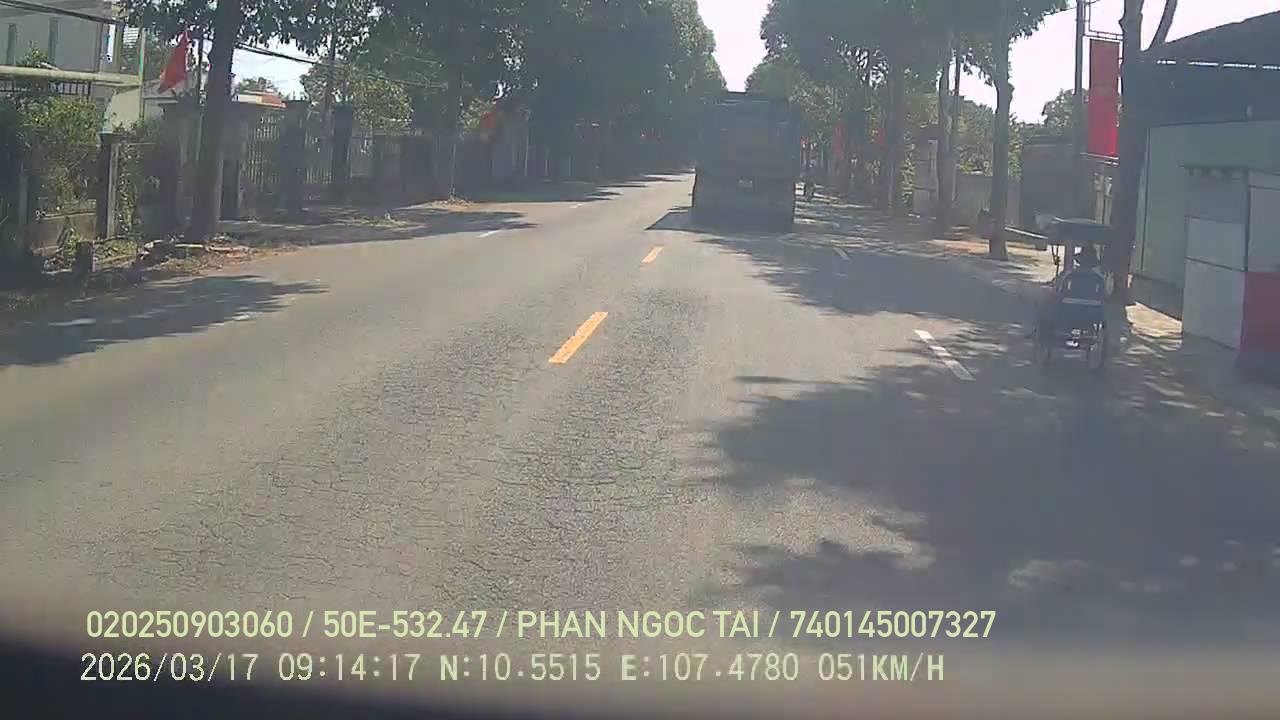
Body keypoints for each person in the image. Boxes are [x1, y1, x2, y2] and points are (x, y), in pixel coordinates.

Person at [1037, 244, 1106, 338]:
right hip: (1092, 312)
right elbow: (1102, 295)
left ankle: (1057, 330)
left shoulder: (1071, 275)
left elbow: (1062, 291)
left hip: (1070, 310)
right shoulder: (1098, 278)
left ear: (1080, 261)